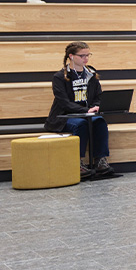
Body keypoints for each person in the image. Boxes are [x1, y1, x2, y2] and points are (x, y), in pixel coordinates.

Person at [47, 42, 120, 180]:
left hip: (88, 114)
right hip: (65, 116)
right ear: (71, 56)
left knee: (99, 122)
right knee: (81, 124)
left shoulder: (91, 74)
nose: (86, 58)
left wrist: (97, 107)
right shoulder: (59, 77)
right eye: (82, 56)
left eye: (88, 55)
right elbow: (64, 103)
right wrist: (87, 110)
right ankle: (78, 162)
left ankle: (100, 161)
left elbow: (98, 96)